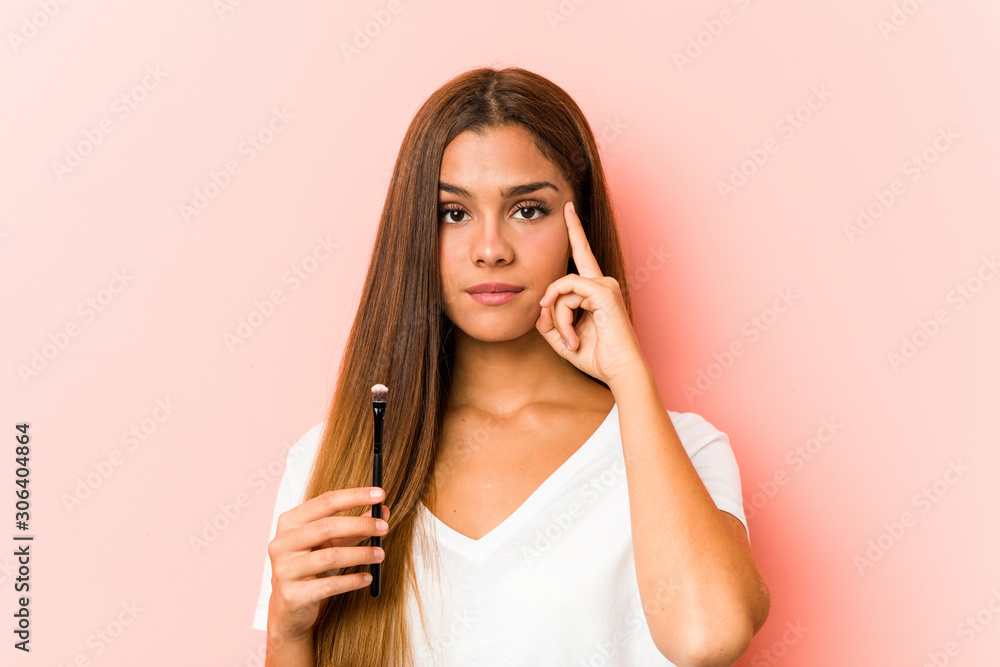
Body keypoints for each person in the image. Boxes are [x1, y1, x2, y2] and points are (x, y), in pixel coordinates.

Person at [252, 65, 770, 666]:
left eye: (527, 209)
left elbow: (709, 638)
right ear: (414, 233)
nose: (491, 249)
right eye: (453, 213)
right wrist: (287, 634)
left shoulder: (684, 450)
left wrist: (629, 380)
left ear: (580, 223)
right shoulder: (332, 460)